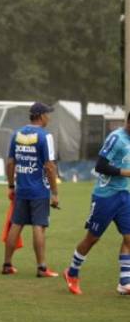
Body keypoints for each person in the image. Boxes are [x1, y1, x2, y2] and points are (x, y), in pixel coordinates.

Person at [63, 113, 130, 295]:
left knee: (129, 237)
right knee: (93, 238)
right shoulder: (116, 138)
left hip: (124, 195)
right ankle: (72, 272)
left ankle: (125, 282)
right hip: (105, 196)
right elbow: (100, 166)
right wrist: (125, 173)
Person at [1, 102, 59, 278]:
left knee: (16, 224)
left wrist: (11, 185)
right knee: (39, 226)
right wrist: (55, 193)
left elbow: (10, 162)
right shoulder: (45, 136)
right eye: (48, 114)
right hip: (39, 190)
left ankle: (7, 264)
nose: (49, 117)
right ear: (41, 116)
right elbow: (49, 166)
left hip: (22, 189)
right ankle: (42, 268)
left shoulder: (17, 134)